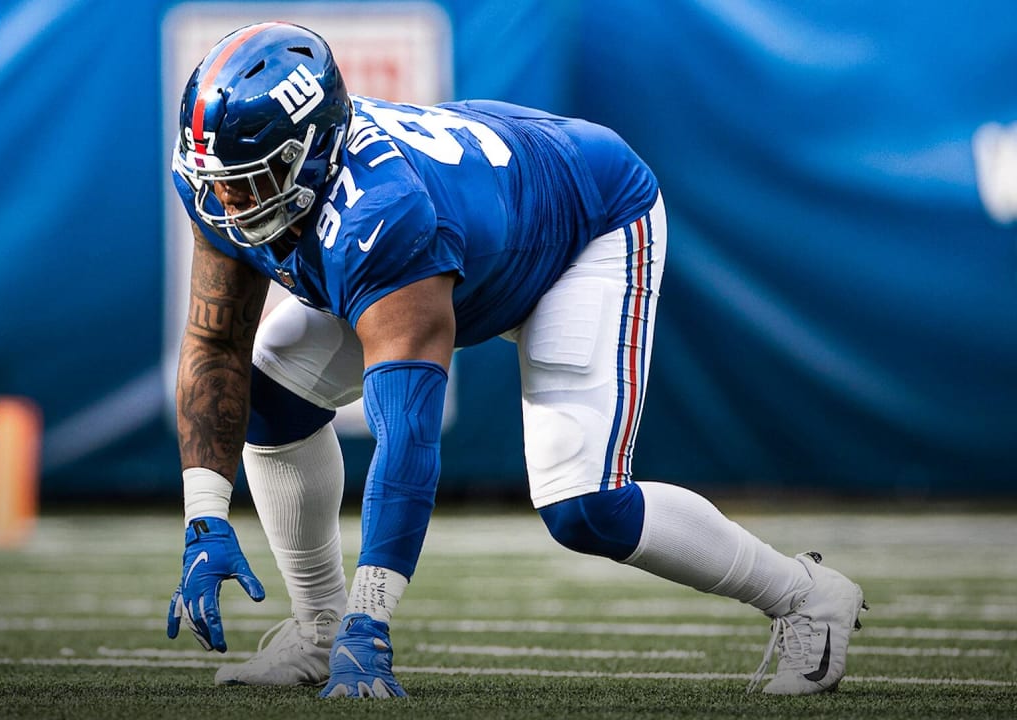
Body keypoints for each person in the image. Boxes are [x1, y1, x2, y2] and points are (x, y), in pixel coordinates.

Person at [165, 22, 866, 699]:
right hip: (474, 228)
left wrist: (372, 621)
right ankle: (316, 628)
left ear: (311, 152)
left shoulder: (385, 214)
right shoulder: (223, 186)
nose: (227, 200)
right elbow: (215, 343)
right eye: (218, 178)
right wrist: (205, 518)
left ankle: (806, 595)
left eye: (251, 180)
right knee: (271, 398)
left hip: (582, 229)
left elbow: (406, 434)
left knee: (584, 509)